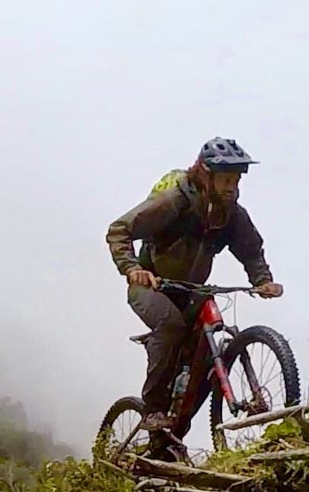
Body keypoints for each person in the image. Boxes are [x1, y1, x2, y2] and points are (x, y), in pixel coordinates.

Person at [105, 137, 283, 456]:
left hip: (190, 291)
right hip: (152, 286)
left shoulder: (232, 214)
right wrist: (132, 268)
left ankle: (170, 437)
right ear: (206, 174)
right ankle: (153, 411)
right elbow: (119, 229)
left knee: (205, 356)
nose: (232, 186)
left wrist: (263, 280)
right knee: (170, 326)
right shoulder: (175, 202)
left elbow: (251, 252)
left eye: (237, 179)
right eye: (226, 179)